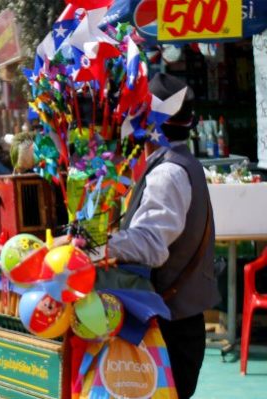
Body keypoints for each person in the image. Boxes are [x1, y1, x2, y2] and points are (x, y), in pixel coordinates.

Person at [104, 73, 219, 399]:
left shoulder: (169, 172)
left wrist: (97, 248)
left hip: (170, 326)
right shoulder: (177, 163)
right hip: (176, 320)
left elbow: (151, 246)